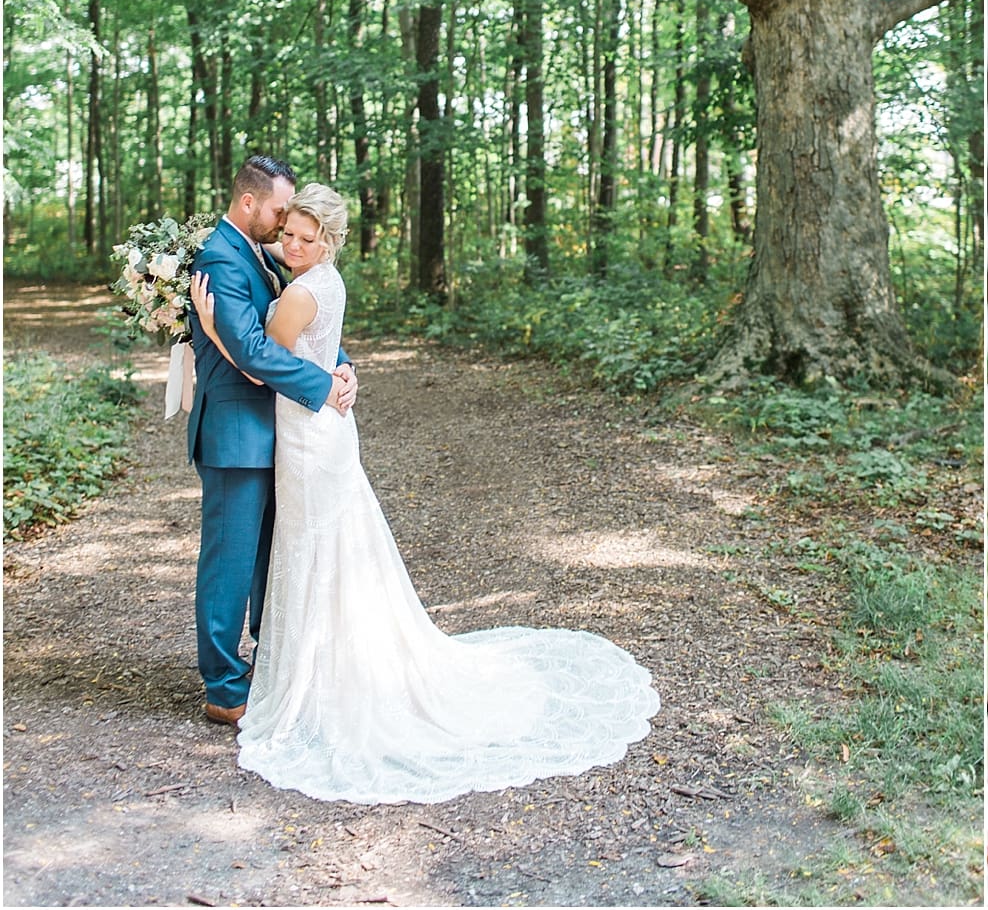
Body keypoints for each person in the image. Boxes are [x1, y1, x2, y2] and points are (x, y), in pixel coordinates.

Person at [190, 182, 660, 802]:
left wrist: (216, 324)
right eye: (286, 227)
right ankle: (277, 671)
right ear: (255, 206)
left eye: (303, 234)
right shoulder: (270, 262)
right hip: (300, 430)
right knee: (302, 549)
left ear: (326, 241)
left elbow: (261, 346)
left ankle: (312, 674)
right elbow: (292, 324)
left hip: (306, 430)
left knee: (309, 548)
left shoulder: (298, 274)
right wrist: (324, 364)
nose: (288, 238)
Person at [186, 153, 357, 726]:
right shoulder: (220, 258)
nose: (287, 227)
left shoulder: (262, 252)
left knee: (269, 559)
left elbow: (302, 322)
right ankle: (224, 687)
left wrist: (343, 364)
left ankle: (274, 664)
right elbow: (254, 351)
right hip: (236, 431)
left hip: (279, 431)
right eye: (281, 212)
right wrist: (323, 386)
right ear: (249, 202)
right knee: (229, 563)